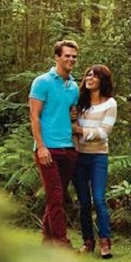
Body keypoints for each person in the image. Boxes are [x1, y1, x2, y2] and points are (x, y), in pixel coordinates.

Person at [29, 39, 80, 247]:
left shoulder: (74, 86)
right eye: (67, 55)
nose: (71, 59)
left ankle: (48, 241)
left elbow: (71, 115)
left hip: (68, 148)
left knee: (56, 198)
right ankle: (61, 243)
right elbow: (34, 116)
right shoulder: (42, 82)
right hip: (48, 148)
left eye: (74, 56)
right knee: (56, 196)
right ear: (57, 57)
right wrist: (40, 146)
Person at [72, 64, 117, 259]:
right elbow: (69, 122)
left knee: (98, 199)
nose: (89, 78)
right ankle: (87, 241)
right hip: (78, 156)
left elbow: (104, 132)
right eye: (88, 74)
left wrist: (80, 131)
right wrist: (73, 122)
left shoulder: (110, 104)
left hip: (98, 156)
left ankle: (105, 242)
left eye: (94, 76)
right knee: (83, 202)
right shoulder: (79, 102)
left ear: (102, 80)